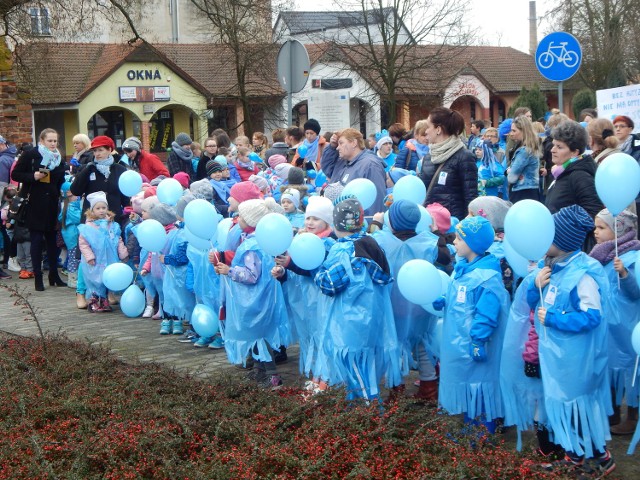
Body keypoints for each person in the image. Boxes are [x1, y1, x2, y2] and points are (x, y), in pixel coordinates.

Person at [529, 205, 615, 477]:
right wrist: (536, 287)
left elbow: (592, 316)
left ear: (562, 241)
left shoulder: (582, 274)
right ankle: (575, 456)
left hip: (576, 361)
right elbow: (536, 306)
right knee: (567, 409)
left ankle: (601, 459)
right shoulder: (555, 268)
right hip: (559, 358)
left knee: (579, 410)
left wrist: (555, 318)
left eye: (548, 235)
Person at [314, 196, 399, 401]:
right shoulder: (372, 243)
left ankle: (366, 413)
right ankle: (359, 409)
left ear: (336, 224)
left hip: (347, 324)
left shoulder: (343, 250)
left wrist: (318, 274)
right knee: (365, 366)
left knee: (351, 368)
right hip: (370, 319)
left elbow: (330, 283)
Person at [436, 216, 509, 433]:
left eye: (459, 238)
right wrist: (444, 301)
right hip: (462, 343)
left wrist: (478, 340)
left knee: (481, 387)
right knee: (470, 385)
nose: (454, 242)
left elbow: (487, 313)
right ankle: (471, 427)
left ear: (473, 245)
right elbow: (462, 301)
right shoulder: (463, 269)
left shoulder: (486, 278)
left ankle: (484, 431)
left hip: (477, 344)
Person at [214, 197, 290, 389]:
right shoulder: (257, 240)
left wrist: (229, 271)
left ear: (250, 221)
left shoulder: (252, 246)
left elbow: (251, 275)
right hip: (261, 296)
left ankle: (272, 374)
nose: (237, 218)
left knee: (258, 334)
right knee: (256, 334)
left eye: (241, 215)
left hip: (254, 298)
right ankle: (258, 370)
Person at [371, 200, 440, 401]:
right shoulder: (428, 242)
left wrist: (376, 223)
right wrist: (437, 233)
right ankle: (429, 388)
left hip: (393, 306)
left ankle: (396, 390)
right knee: (422, 345)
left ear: (391, 222)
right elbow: (443, 255)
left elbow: (368, 243)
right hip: (421, 306)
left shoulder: (380, 241)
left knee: (395, 346)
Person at [272, 195, 336, 396]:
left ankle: (327, 378)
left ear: (327, 221)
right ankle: (317, 374)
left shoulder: (329, 244)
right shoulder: (301, 241)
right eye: (308, 218)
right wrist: (283, 273)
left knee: (323, 336)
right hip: (304, 302)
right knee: (310, 338)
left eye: (316, 219)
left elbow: (313, 269)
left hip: (320, 300)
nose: (309, 222)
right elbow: (295, 271)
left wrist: (290, 264)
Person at [590, 209, 640, 436]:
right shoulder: (600, 257)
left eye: (602, 227)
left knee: (630, 370)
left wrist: (625, 276)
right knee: (608, 366)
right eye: (596, 227)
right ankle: (610, 414)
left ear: (619, 230)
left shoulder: (631, 257)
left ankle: (631, 415)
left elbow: (635, 293)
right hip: (606, 323)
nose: (596, 232)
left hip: (626, 324)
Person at [11, 128, 67, 291]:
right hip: (34, 203)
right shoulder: (31, 154)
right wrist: (32, 176)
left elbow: (60, 179)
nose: (53, 144)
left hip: (51, 203)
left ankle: (53, 275)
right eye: (50, 140)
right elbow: (16, 174)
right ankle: (38, 277)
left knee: (52, 241)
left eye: (55, 141)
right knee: (36, 240)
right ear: (41, 141)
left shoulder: (58, 158)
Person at [544, 120, 603, 248]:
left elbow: (594, 213)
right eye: (554, 145)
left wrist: (569, 232)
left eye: (559, 147)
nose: (552, 150)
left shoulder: (580, 176)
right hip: (557, 245)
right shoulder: (561, 171)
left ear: (575, 152)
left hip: (572, 249)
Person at [418, 107, 478, 220]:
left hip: (452, 225)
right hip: (429, 223)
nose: (426, 131)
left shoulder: (464, 156)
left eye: (428, 127)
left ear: (438, 129)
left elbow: (471, 197)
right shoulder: (428, 156)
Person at [77, 191, 128, 312]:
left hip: (110, 258)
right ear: (92, 210)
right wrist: (89, 257)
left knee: (106, 279)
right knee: (94, 280)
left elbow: (118, 240)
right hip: (95, 259)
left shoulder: (112, 225)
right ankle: (93, 301)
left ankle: (104, 300)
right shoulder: (88, 226)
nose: (101, 211)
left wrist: (123, 253)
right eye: (98, 208)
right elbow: (83, 243)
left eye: (104, 207)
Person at [320, 128, 387, 215]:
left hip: (358, 224)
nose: (337, 147)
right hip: (342, 221)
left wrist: (372, 224)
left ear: (354, 143)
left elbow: (377, 199)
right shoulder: (344, 161)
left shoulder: (370, 165)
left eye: (341, 143)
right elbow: (327, 169)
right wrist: (331, 147)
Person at [70, 135, 130, 225]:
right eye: (95, 151)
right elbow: (75, 191)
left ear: (109, 150)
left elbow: (125, 196)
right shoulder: (88, 168)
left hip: (114, 218)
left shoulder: (120, 169)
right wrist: (86, 171)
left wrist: (127, 213)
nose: (97, 154)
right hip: (92, 219)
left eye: (100, 150)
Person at [507, 115, 541, 202]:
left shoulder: (524, 151)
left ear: (524, 131)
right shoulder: (532, 148)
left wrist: (509, 171)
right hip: (532, 191)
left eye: (514, 130)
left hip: (522, 192)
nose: (511, 133)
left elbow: (511, 178)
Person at [58, 182, 82, 288]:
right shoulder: (71, 207)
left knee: (74, 257)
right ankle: (72, 278)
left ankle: (74, 277)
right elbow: (78, 219)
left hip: (71, 235)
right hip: (73, 236)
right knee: (74, 257)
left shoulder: (68, 206)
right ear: (68, 193)